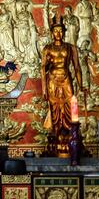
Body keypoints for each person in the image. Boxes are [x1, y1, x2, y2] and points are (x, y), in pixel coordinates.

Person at [41, 16, 85, 158]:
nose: (58, 33)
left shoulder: (70, 48)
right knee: (55, 108)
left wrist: (81, 85)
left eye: (60, 31)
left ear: (64, 32)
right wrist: (43, 89)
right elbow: (43, 68)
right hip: (52, 80)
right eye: (55, 31)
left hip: (66, 79)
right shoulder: (47, 48)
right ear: (52, 33)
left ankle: (70, 135)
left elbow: (77, 68)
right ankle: (57, 134)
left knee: (69, 106)